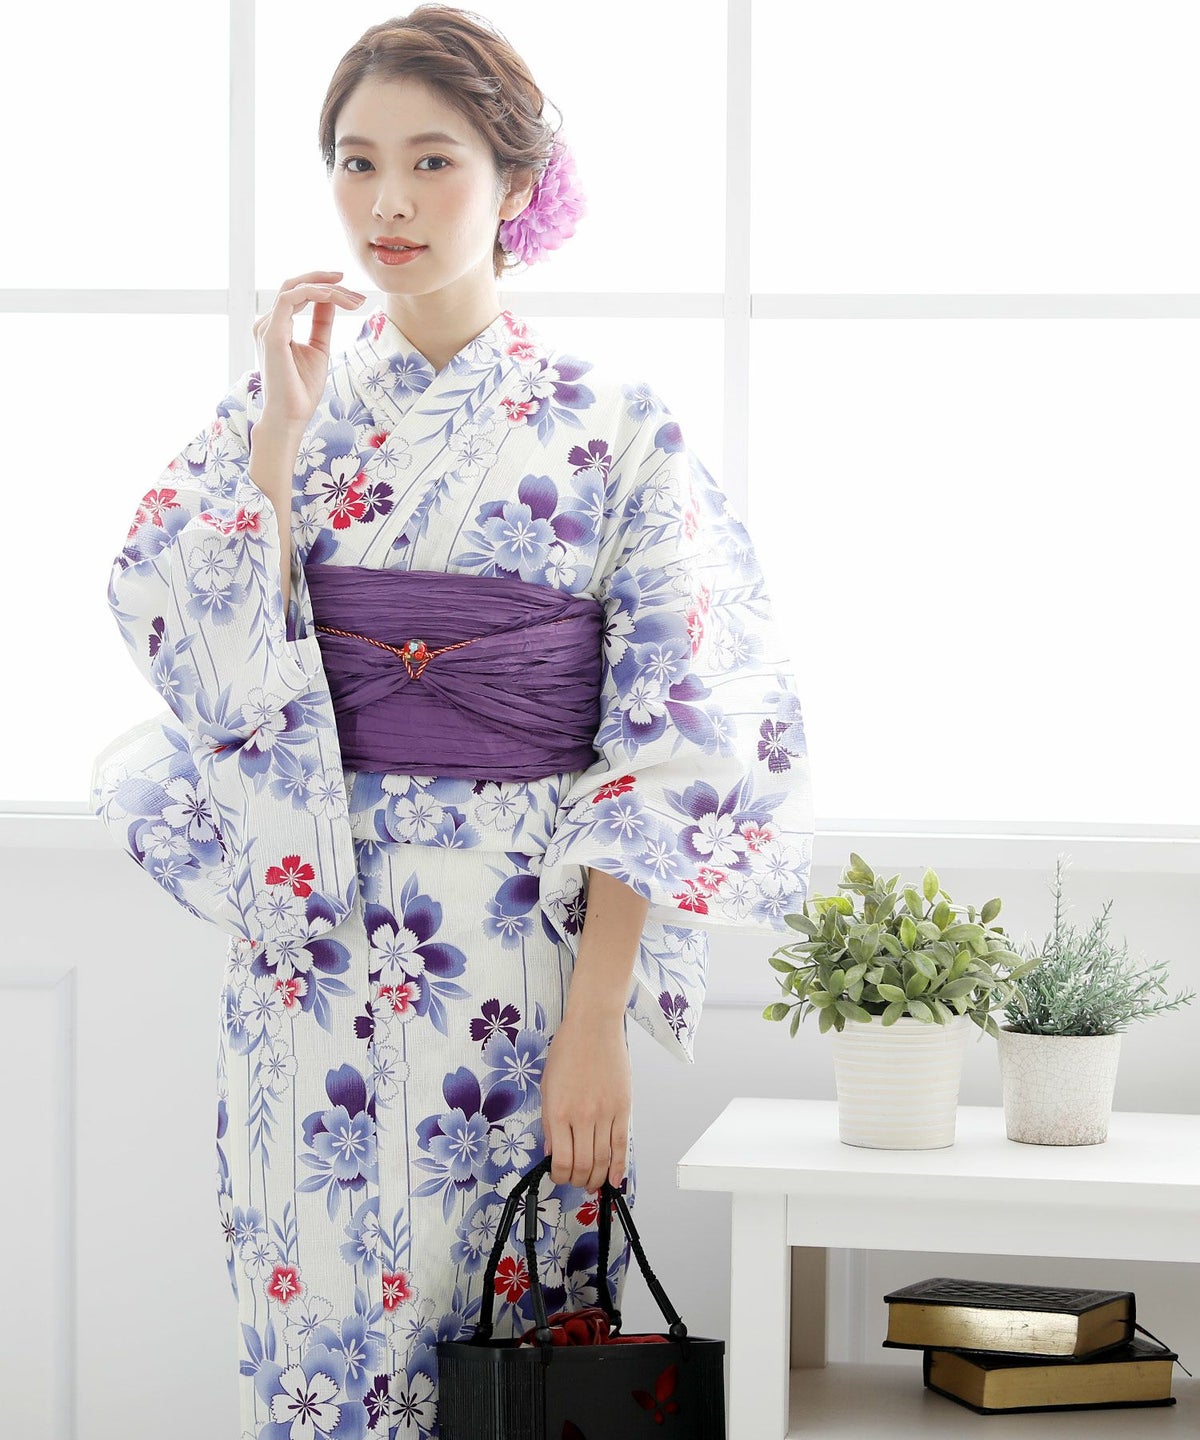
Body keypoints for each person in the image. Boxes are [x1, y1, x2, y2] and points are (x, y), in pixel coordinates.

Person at [90, 5, 813, 1436]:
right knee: (317, 1353)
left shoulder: (616, 425)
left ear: (515, 184)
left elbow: (675, 725)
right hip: (311, 955)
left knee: (512, 1356)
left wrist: (597, 1020)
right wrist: (280, 434)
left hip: (518, 957)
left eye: (433, 162)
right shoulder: (281, 412)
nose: (390, 204)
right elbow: (200, 653)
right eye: (357, 163)